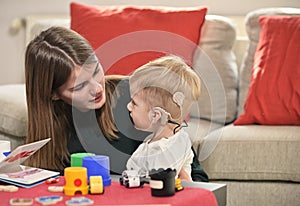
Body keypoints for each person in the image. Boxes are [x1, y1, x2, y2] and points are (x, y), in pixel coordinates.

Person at [24, 26, 208, 181]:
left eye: (96, 70)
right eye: (79, 86)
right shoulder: (52, 130)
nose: (97, 88)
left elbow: (198, 177)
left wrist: (182, 184)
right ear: (53, 94)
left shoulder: (137, 96)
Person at [126, 55, 201, 181]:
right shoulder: (182, 139)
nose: (128, 107)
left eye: (134, 103)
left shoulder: (157, 153)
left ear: (155, 115)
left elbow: (155, 190)